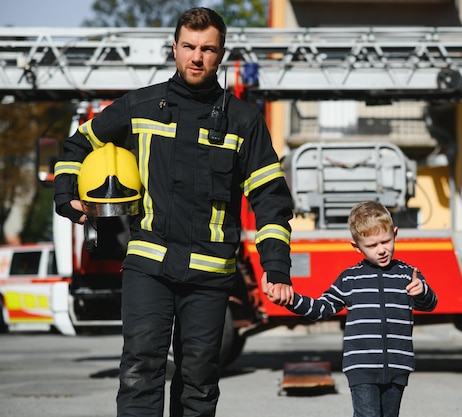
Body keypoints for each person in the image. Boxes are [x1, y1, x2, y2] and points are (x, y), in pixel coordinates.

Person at [53, 7, 294, 417]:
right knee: (140, 371)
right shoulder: (139, 107)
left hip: (210, 271)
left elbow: (270, 198)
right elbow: (79, 145)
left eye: (207, 49)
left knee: (199, 382)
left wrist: (277, 266)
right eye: (188, 47)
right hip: (148, 263)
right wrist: (66, 195)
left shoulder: (244, 122)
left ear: (221, 54)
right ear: (175, 48)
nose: (196, 57)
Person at [264, 200, 437, 417]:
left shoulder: (407, 274)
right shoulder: (350, 278)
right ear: (356, 247)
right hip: (361, 367)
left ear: (395, 234)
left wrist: (422, 291)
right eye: (372, 246)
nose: (381, 250)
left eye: (386, 241)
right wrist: (291, 300)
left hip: (398, 367)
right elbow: (322, 308)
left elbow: (430, 304)